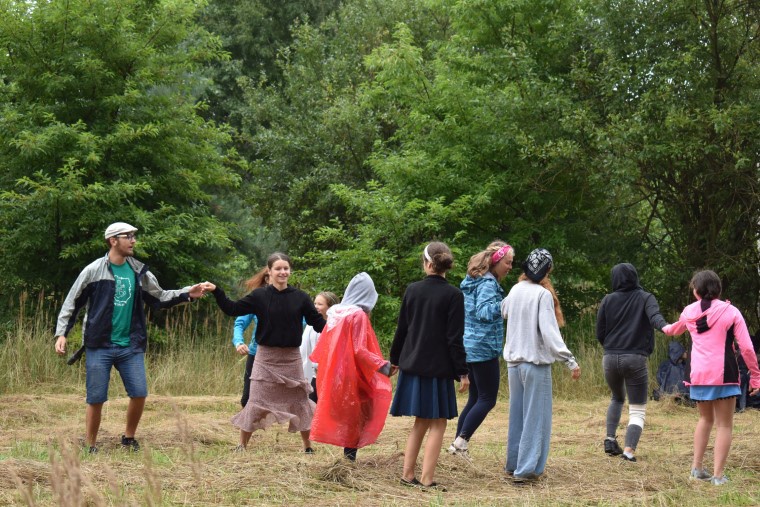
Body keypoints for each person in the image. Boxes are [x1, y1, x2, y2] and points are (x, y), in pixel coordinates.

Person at [54, 222, 206, 453]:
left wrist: (188, 293)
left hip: (130, 346)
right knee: (96, 398)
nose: (133, 240)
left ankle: (128, 437)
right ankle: (91, 445)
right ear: (113, 240)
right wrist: (61, 333)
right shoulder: (93, 271)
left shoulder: (138, 271)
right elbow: (72, 303)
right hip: (99, 345)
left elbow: (160, 297)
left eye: (134, 236)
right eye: (128, 236)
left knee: (139, 393)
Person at [203, 252, 326, 453]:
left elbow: (319, 324)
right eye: (278, 268)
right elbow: (232, 309)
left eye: (286, 268)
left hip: (291, 358)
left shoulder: (300, 298)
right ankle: (241, 445)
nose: (283, 272)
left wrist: (339, 324)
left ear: (290, 271)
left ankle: (307, 447)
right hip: (265, 358)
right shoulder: (259, 296)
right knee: (256, 401)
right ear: (269, 271)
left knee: (300, 402)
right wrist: (217, 291)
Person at [662, 270, 760, 485]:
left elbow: (672, 331)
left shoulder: (688, 312)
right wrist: (756, 375)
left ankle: (696, 469)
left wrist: (660, 324)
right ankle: (717, 476)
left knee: (705, 419)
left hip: (698, 374)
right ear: (718, 289)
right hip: (724, 374)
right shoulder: (731, 311)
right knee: (724, 425)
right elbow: (747, 348)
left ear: (696, 292)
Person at [390, 242, 469, 490]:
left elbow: (401, 330)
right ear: (444, 265)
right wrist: (463, 372)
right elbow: (454, 339)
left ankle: (408, 475)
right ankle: (426, 479)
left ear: (427, 264)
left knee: (421, 422)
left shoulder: (412, 290)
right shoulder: (454, 295)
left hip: (412, 365)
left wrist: (394, 361)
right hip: (438, 369)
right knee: (438, 423)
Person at [501, 248, 580, 483]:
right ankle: (525, 470)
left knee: (517, 416)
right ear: (547, 271)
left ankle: (513, 463)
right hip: (534, 365)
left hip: (513, 365)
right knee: (536, 418)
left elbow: (503, 310)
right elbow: (550, 333)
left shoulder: (515, 290)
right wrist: (569, 360)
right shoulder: (542, 295)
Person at [309, 274, 392, 461]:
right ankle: (349, 459)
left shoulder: (335, 314)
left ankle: (348, 458)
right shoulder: (357, 316)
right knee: (359, 412)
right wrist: (383, 366)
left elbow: (323, 347)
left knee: (348, 412)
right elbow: (360, 350)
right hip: (354, 372)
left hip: (335, 372)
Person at [596, 263, 668, 462]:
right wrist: (667, 327)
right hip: (635, 358)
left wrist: (611, 348)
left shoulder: (607, 300)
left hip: (610, 358)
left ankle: (610, 438)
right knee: (637, 408)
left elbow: (599, 333)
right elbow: (655, 318)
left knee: (617, 398)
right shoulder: (646, 297)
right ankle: (628, 452)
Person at [448, 241, 514, 457]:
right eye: (508, 262)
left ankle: (456, 445)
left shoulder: (473, 282)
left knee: (476, 398)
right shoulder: (487, 285)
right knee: (488, 399)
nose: (510, 267)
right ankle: (461, 441)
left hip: (471, 345)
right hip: (483, 348)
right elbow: (485, 312)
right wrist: (507, 304)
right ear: (496, 262)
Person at [232, 267, 269, 408]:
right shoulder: (256, 299)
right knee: (247, 399)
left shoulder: (293, 299)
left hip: (282, 356)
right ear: (267, 279)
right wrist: (239, 342)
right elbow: (240, 323)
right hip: (256, 353)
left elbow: (307, 322)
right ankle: (249, 427)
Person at [300, 291, 339, 403]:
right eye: (315, 303)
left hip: (331, 376)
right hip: (314, 374)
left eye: (320, 304)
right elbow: (305, 349)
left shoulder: (336, 325)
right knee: (312, 406)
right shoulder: (310, 325)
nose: (316, 307)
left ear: (330, 307)